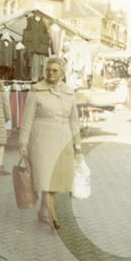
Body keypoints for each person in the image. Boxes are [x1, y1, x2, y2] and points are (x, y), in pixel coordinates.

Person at [18, 57, 81, 229]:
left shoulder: (69, 92)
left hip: (63, 140)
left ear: (62, 72)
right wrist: (22, 142)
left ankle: (42, 210)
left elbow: (74, 121)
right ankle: (53, 217)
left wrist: (77, 144)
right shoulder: (36, 91)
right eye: (48, 70)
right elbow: (27, 119)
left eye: (54, 70)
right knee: (46, 176)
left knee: (54, 179)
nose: (50, 73)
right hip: (41, 140)